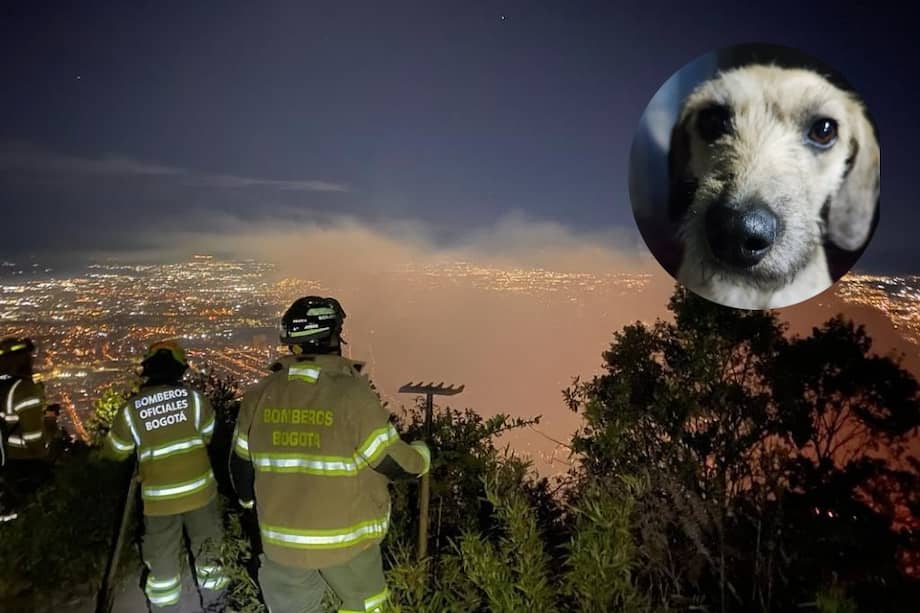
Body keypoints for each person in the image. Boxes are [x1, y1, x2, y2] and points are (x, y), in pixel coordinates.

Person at [230, 296, 430, 613]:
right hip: (345, 542)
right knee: (366, 605)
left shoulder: (260, 394)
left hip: (280, 542)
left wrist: (250, 506)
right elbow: (391, 460)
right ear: (333, 337)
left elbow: (240, 467)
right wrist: (422, 457)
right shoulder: (350, 393)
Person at [104, 339, 227, 611]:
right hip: (200, 493)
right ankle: (216, 604)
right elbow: (208, 435)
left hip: (159, 502)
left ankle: (164, 607)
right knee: (209, 550)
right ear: (180, 370)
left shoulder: (131, 410)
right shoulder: (194, 400)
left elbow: (115, 451)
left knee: (162, 562)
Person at [0, 337, 50, 522]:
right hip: (24, 464)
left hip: (6, 466)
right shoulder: (24, 390)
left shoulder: (4, 388)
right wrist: (45, 454)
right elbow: (34, 437)